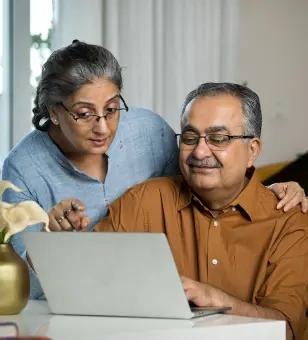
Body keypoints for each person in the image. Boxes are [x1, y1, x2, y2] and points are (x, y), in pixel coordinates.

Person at [1, 41, 307, 299]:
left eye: (111, 109)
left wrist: (262, 193)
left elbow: (206, 181)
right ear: (54, 112)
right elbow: (23, 288)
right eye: (84, 114)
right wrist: (48, 243)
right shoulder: (22, 170)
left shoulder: (149, 132)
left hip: (162, 300)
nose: (103, 127)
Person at [95, 83, 308, 340]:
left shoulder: (290, 218)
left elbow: (285, 328)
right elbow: (89, 281)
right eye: (190, 137)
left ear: (252, 150)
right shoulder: (144, 201)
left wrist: (214, 299)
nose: (199, 151)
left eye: (218, 139)